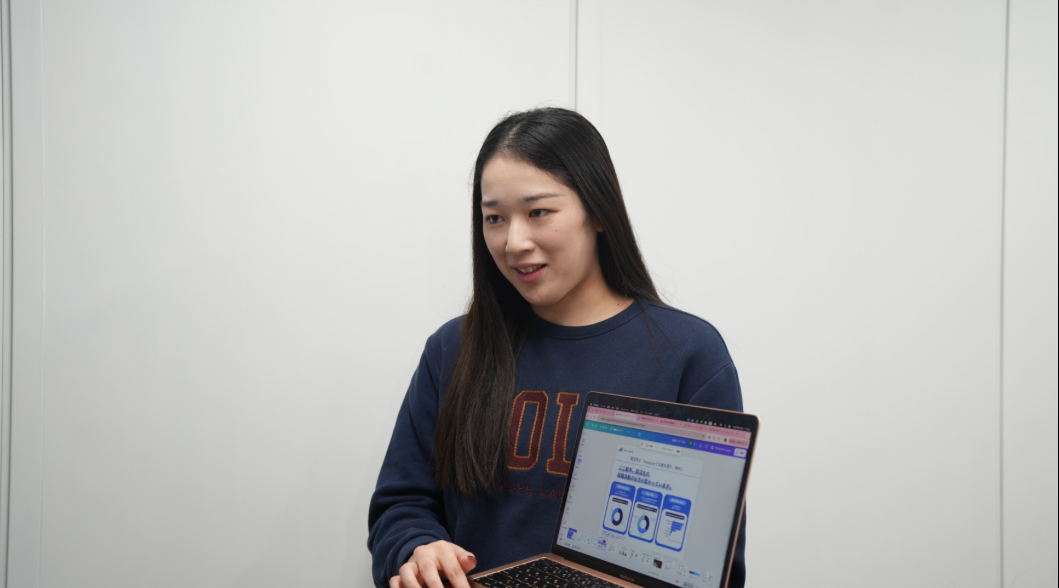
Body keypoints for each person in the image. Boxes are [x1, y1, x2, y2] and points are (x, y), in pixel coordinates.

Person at [367, 107, 745, 588]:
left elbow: (713, 567)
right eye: (494, 218)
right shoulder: (452, 349)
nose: (513, 242)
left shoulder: (688, 355)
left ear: (599, 211)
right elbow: (401, 505)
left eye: (538, 212)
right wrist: (418, 549)